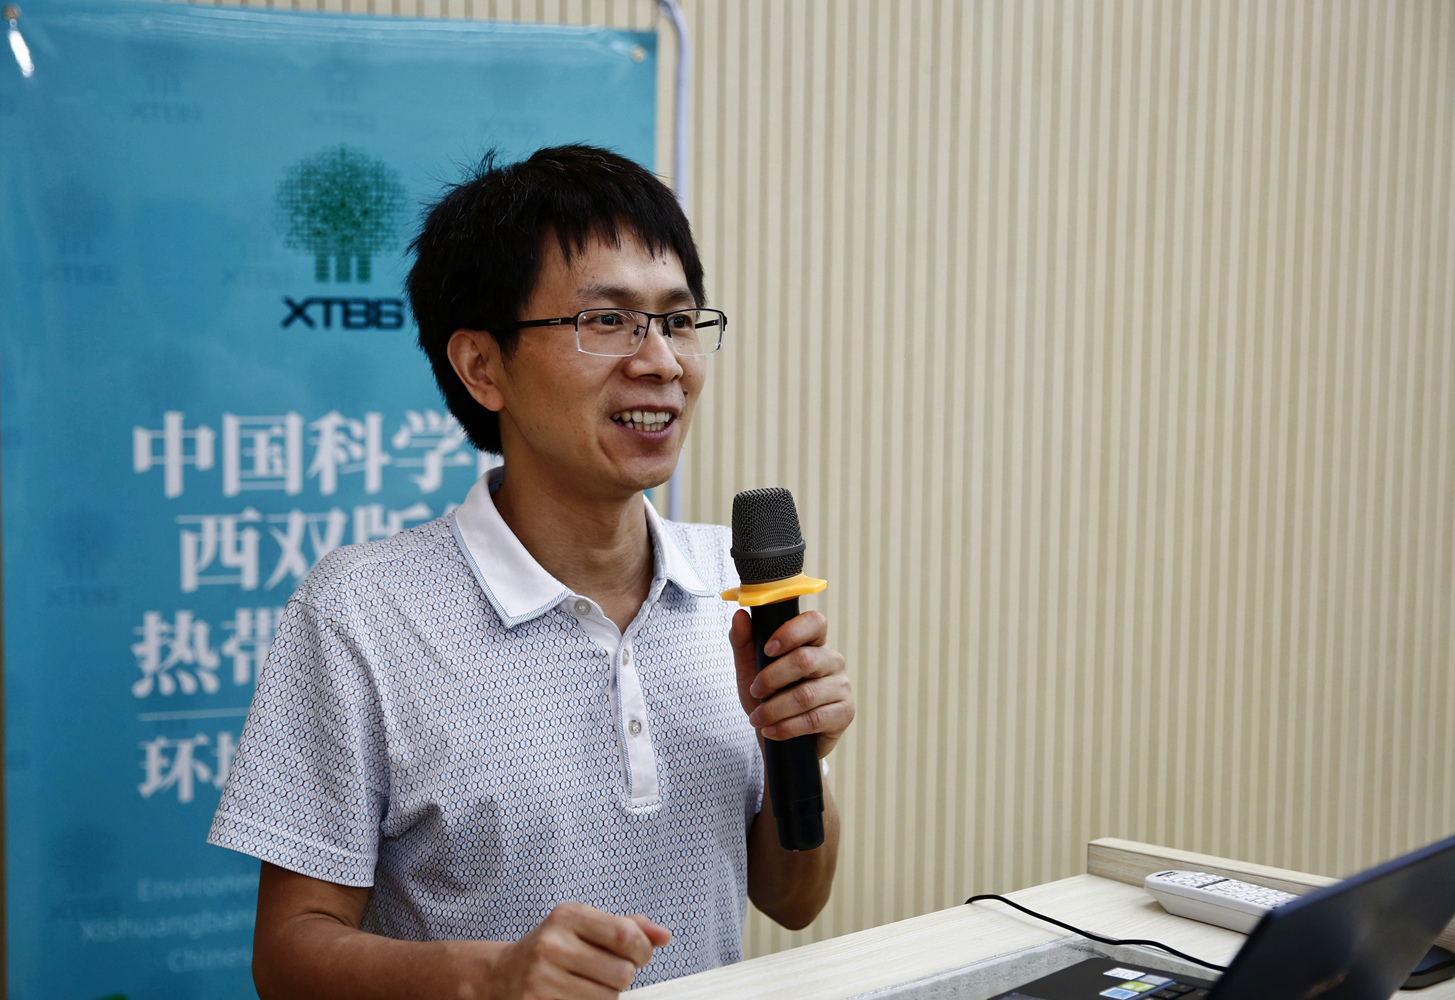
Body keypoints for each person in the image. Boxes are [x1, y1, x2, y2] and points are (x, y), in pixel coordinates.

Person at [208, 144, 855, 999]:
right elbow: (288, 957)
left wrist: (790, 748)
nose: (662, 362)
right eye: (607, 320)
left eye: (677, 321)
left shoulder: (732, 582)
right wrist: (491, 977)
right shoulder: (360, 610)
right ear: (482, 367)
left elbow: (793, 901)